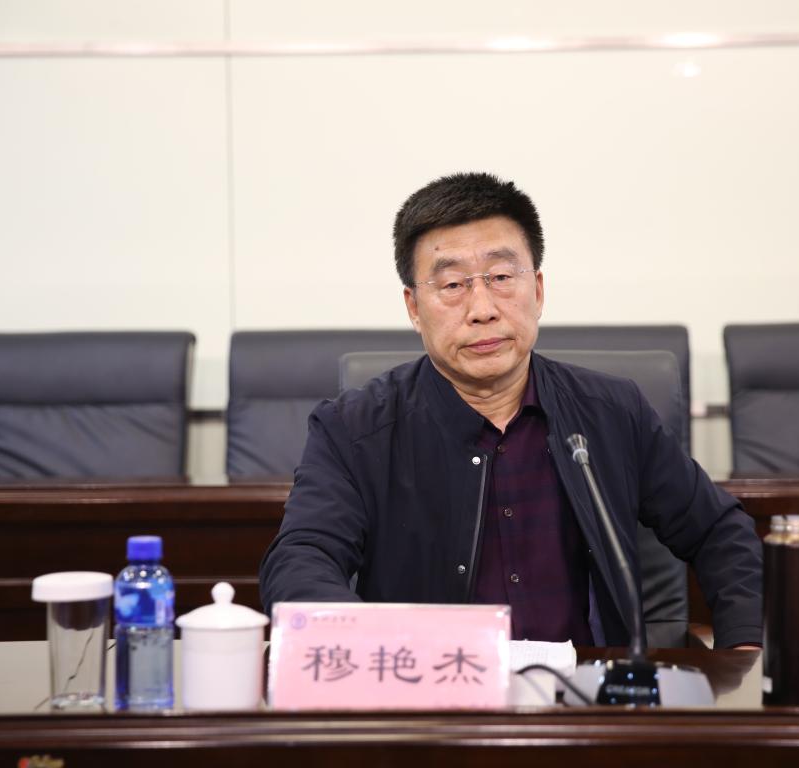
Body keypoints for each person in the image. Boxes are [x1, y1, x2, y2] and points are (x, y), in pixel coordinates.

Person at [260, 172, 762, 648]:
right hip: (430, 694)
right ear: (414, 307)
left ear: (537, 291)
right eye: (453, 285)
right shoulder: (352, 430)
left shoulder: (611, 413)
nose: (483, 309)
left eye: (501, 276)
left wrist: (742, 649)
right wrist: (374, 657)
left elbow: (720, 532)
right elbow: (300, 561)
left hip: (585, 695)